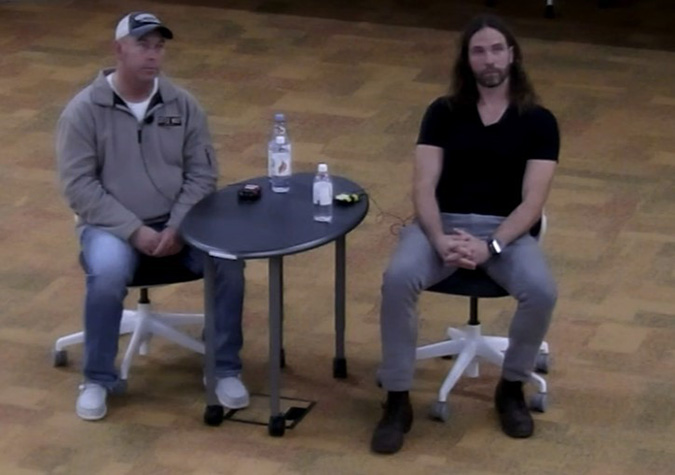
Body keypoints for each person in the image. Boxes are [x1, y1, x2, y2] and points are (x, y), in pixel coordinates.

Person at [371, 14, 560, 454]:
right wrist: (437, 238)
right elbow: (422, 186)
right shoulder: (442, 112)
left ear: (512, 55)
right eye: (479, 50)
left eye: (497, 48)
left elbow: (532, 202)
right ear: (467, 60)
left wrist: (492, 245)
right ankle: (397, 400)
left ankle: (511, 388)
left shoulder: (540, 121)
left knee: (542, 290)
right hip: (443, 223)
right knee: (398, 279)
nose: (489, 58)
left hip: (505, 233)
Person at [56, 11, 249, 421]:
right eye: (143, 45)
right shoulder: (84, 111)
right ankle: (97, 379)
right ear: (119, 49)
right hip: (112, 227)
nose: (153, 55)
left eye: (159, 46)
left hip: (181, 223)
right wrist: (133, 230)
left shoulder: (184, 105)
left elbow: (202, 173)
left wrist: (178, 224)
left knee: (229, 261)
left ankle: (224, 367)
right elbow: (79, 187)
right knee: (107, 274)